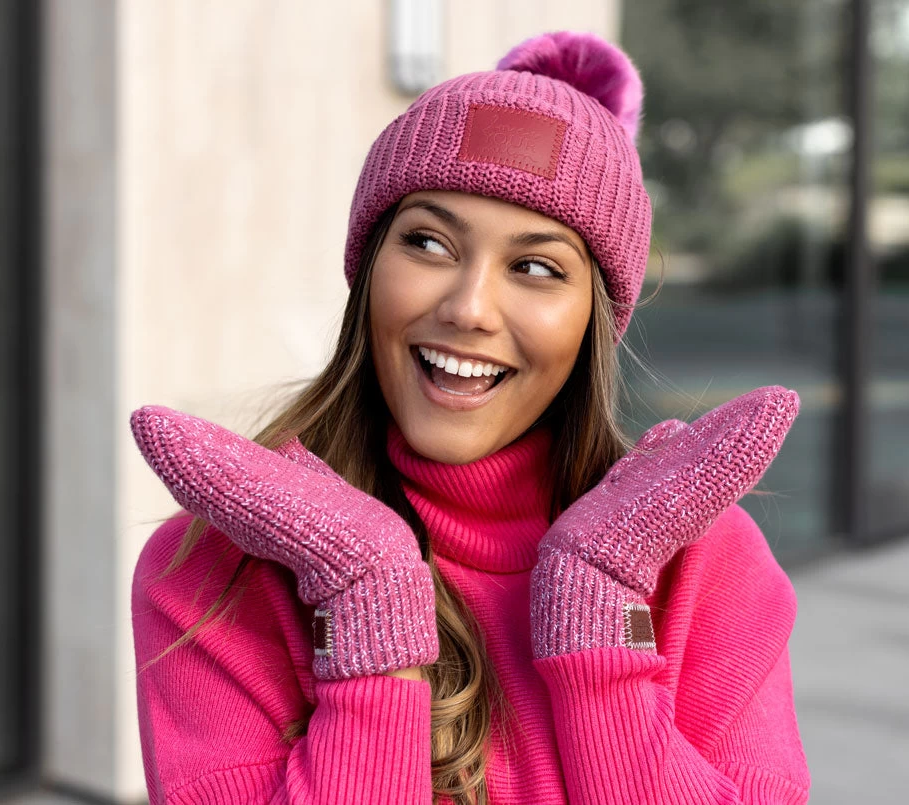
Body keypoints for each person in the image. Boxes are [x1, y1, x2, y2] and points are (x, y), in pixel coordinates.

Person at [130, 31, 811, 805]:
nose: (468, 308)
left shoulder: (707, 562)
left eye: (535, 266)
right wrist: (366, 604)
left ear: (594, 316)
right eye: (427, 241)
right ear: (368, 269)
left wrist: (600, 626)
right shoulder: (214, 568)